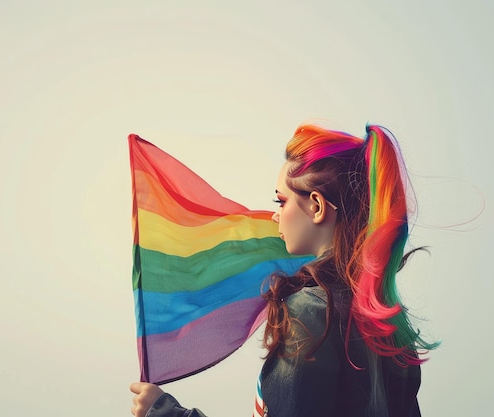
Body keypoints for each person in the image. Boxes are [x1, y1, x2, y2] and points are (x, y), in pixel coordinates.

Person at [130, 123, 438, 417]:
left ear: (316, 206)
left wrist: (164, 412)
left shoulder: (311, 311)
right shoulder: (393, 330)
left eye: (281, 201)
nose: (276, 217)